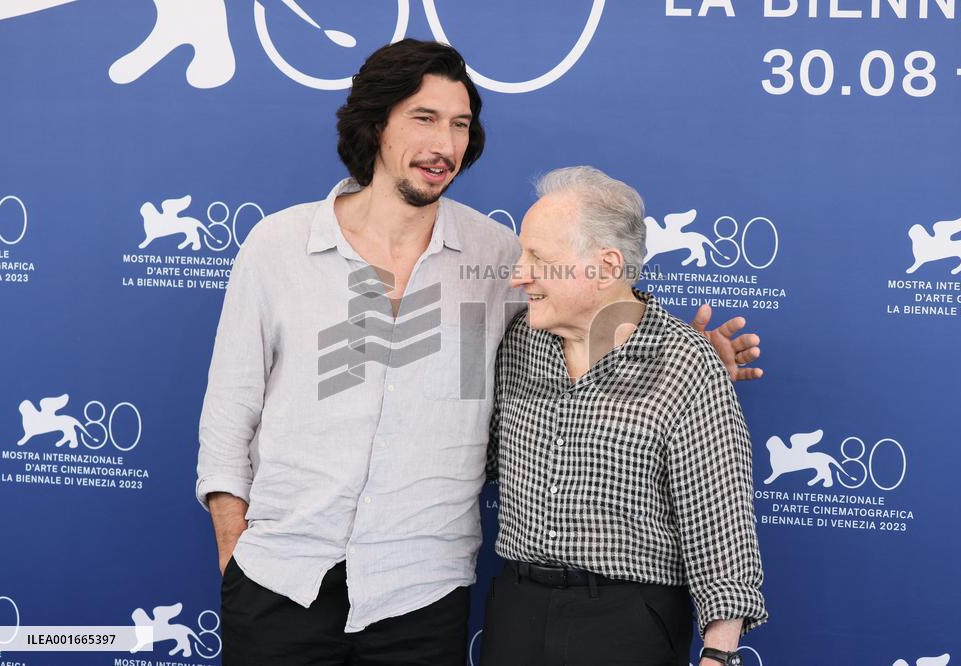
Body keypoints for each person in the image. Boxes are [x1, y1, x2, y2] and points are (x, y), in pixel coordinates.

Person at [197, 39, 761, 666]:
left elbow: (586, 312)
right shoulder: (278, 246)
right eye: (425, 118)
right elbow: (229, 413)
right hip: (280, 582)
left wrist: (673, 348)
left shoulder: (496, 256)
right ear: (376, 123)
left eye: (460, 124)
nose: (445, 144)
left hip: (421, 596)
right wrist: (234, 550)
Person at [480, 167, 767, 666]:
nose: (518, 274)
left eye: (538, 259)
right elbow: (475, 463)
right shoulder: (518, 345)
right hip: (516, 612)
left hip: (628, 623)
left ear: (605, 265)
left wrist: (720, 655)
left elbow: (720, 524)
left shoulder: (685, 361)